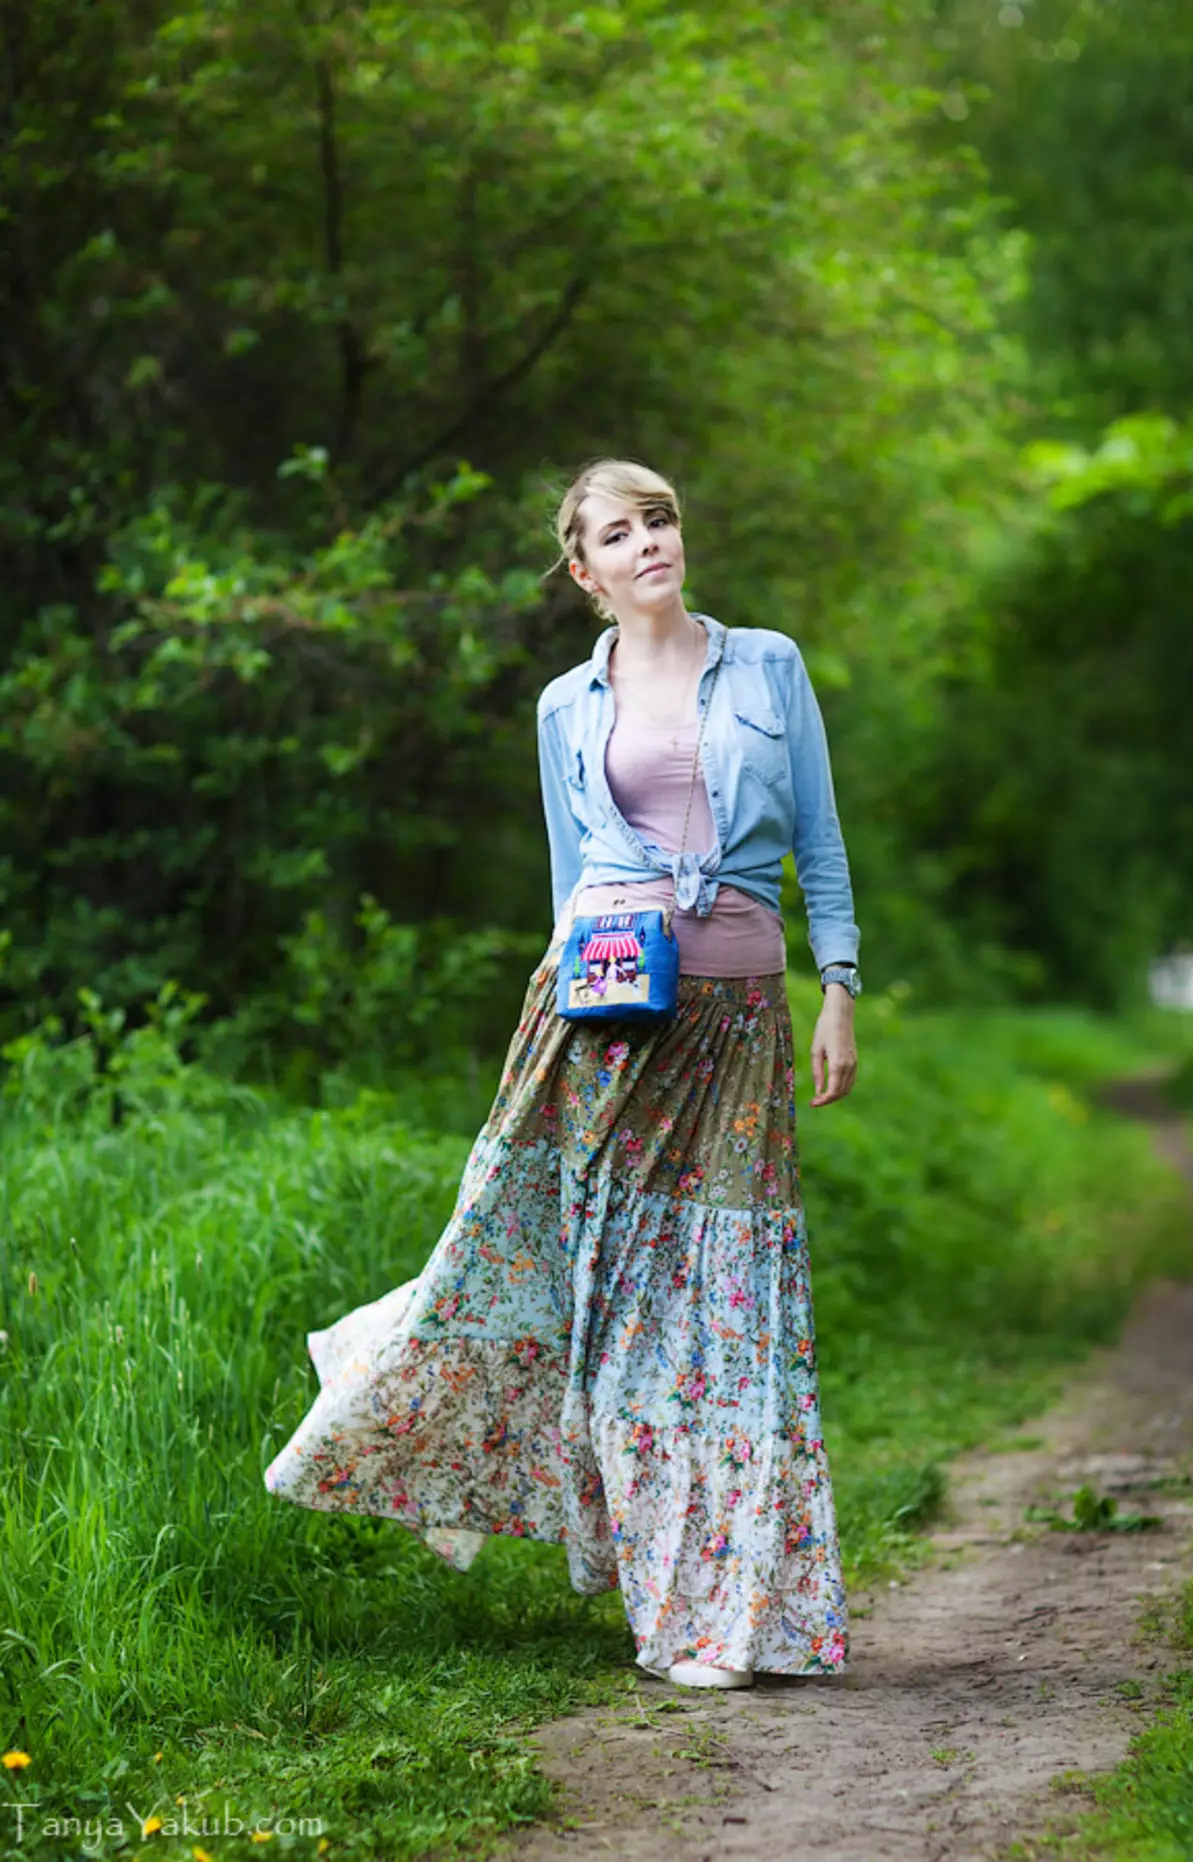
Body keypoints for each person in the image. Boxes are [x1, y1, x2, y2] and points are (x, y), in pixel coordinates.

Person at [264, 457, 861, 1691]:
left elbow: (818, 839)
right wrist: (539, 1024)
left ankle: (729, 1613)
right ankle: (407, 1401)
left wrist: (839, 986)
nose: (651, 541)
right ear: (585, 573)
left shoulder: (768, 666)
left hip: (738, 1020)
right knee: (540, 1263)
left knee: (721, 1308)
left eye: (662, 519)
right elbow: (567, 878)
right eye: (619, 532)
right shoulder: (563, 705)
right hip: (600, 1020)